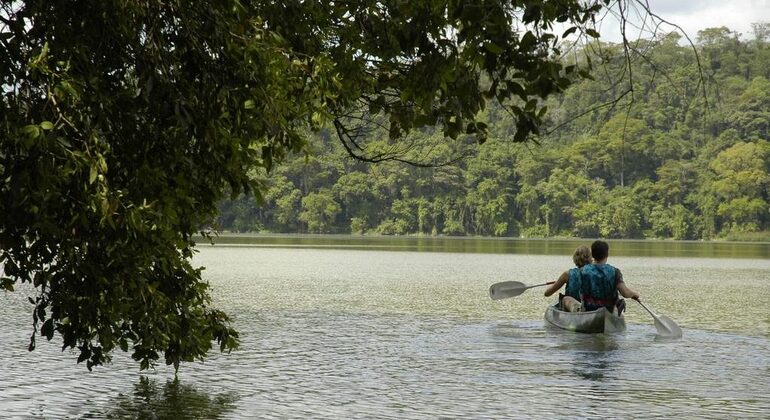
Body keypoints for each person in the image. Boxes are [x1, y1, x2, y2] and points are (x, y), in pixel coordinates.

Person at [579, 240, 640, 314]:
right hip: (609, 310)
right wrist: (634, 294)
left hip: (589, 310)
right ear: (607, 254)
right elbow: (625, 293)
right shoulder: (615, 271)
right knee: (619, 303)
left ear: (592, 254)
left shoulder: (582, 270)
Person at [544, 245, 592, 312]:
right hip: (592, 304)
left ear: (575, 258)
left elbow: (547, 293)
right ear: (591, 259)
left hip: (575, 307)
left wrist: (558, 282)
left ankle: (577, 308)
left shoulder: (567, 274)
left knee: (566, 298)